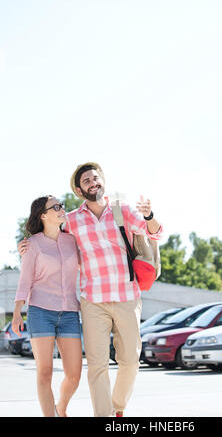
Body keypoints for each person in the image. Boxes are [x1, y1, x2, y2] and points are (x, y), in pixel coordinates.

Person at [18, 162, 163, 417]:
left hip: (127, 296)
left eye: (96, 179)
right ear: (79, 189)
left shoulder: (122, 211)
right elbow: (47, 232)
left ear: (103, 181)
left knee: (130, 362)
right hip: (92, 302)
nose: (93, 183)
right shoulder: (71, 221)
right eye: (87, 181)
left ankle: (118, 406)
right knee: (97, 366)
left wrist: (150, 216)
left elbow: (155, 233)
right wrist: (26, 244)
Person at [13, 195, 82, 418]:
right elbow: (25, 280)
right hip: (40, 310)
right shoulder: (32, 245)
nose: (62, 209)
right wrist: (17, 312)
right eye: (56, 207)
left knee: (74, 374)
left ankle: (61, 406)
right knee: (45, 372)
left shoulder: (72, 240)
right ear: (43, 215)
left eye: (61, 205)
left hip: (70, 312)